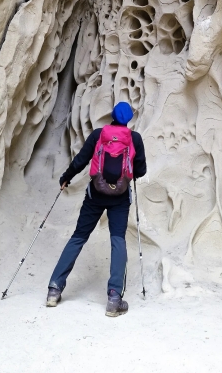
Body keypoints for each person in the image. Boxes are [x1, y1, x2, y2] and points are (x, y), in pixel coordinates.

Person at [46, 102, 147, 317]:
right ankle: (114, 299)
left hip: (95, 195)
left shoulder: (99, 135)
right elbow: (141, 170)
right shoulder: (135, 138)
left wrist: (66, 177)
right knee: (118, 241)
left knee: (78, 237)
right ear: (128, 119)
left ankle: (54, 289)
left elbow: (81, 160)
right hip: (120, 198)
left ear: (112, 116)